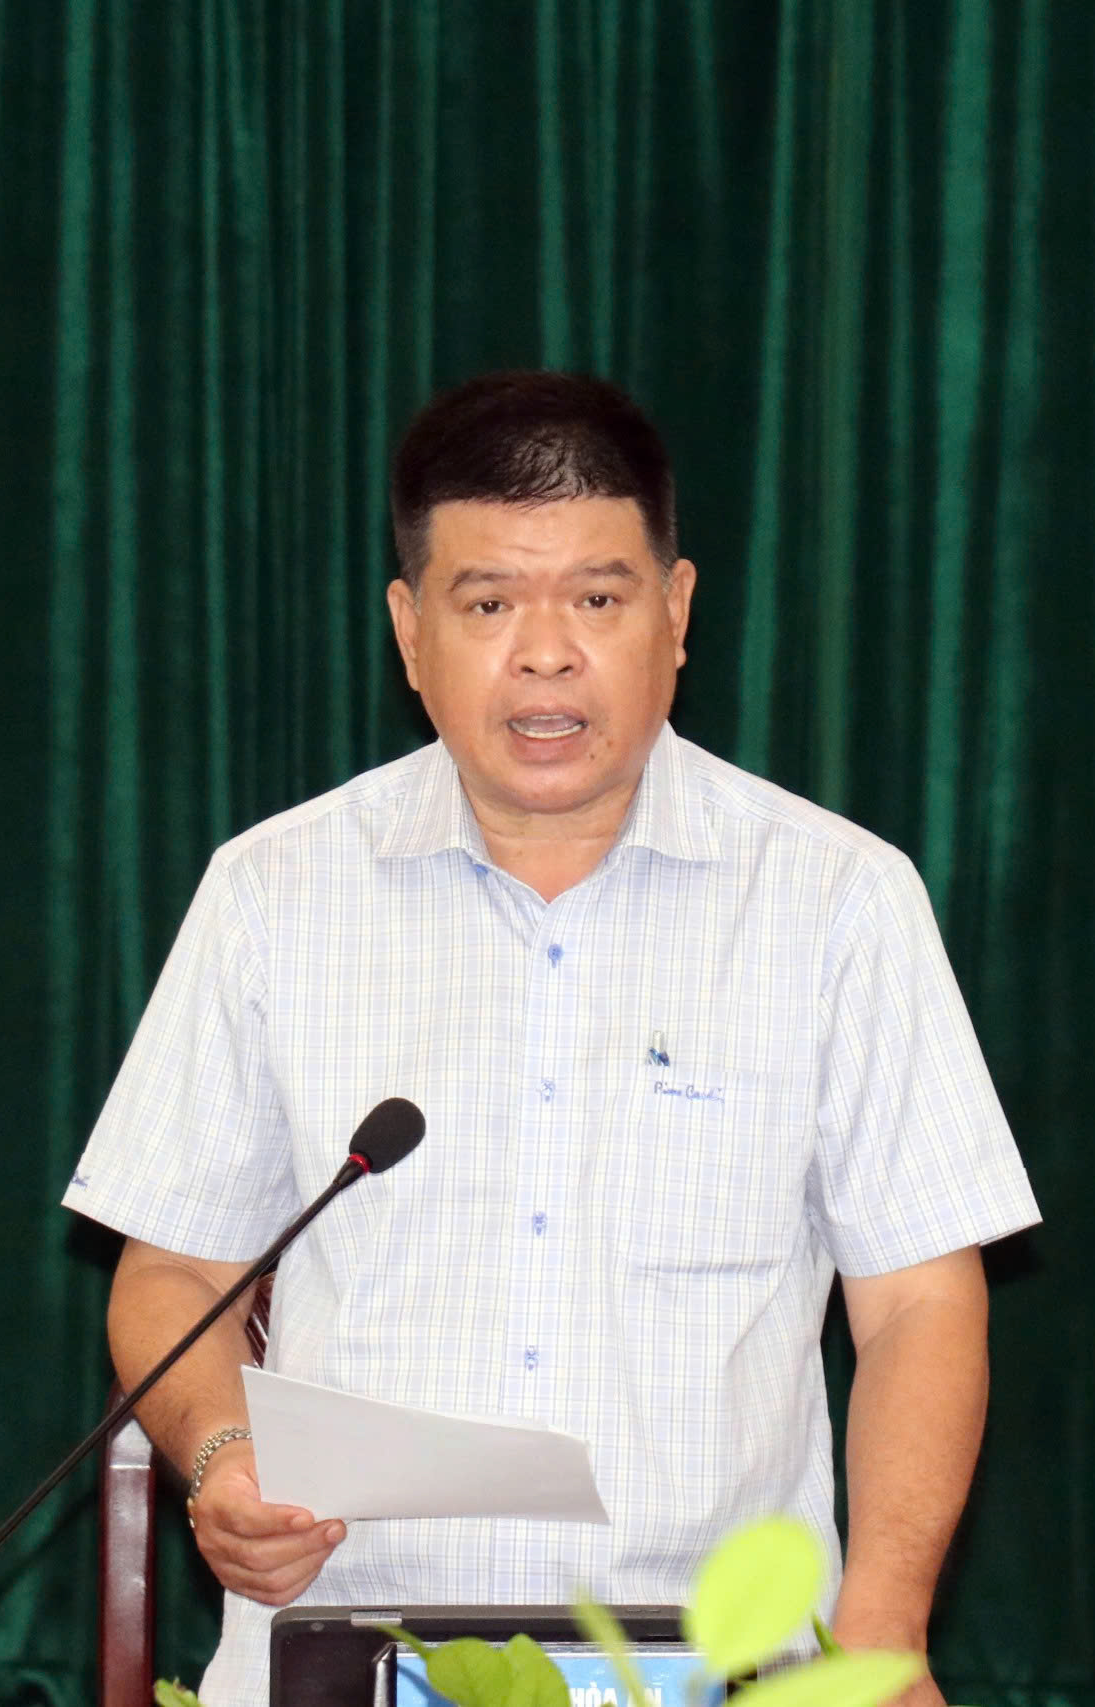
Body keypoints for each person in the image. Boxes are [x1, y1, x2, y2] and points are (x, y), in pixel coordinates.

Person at [63, 371, 1038, 1707]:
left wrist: (878, 1634)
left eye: (596, 599)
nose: (544, 654)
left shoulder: (835, 900)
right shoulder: (273, 894)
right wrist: (228, 1459)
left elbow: (921, 1300)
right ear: (409, 633)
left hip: (720, 1664)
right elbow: (174, 1270)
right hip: (349, 1650)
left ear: (676, 614)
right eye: (487, 605)